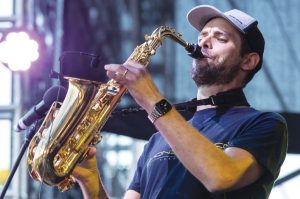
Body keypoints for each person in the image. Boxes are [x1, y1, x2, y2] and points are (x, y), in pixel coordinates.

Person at [72, 5, 288, 199]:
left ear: (248, 60)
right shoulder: (157, 140)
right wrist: (91, 182)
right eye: (203, 36)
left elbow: (221, 177)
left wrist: (151, 98)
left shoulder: (265, 124)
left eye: (221, 38)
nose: (203, 42)